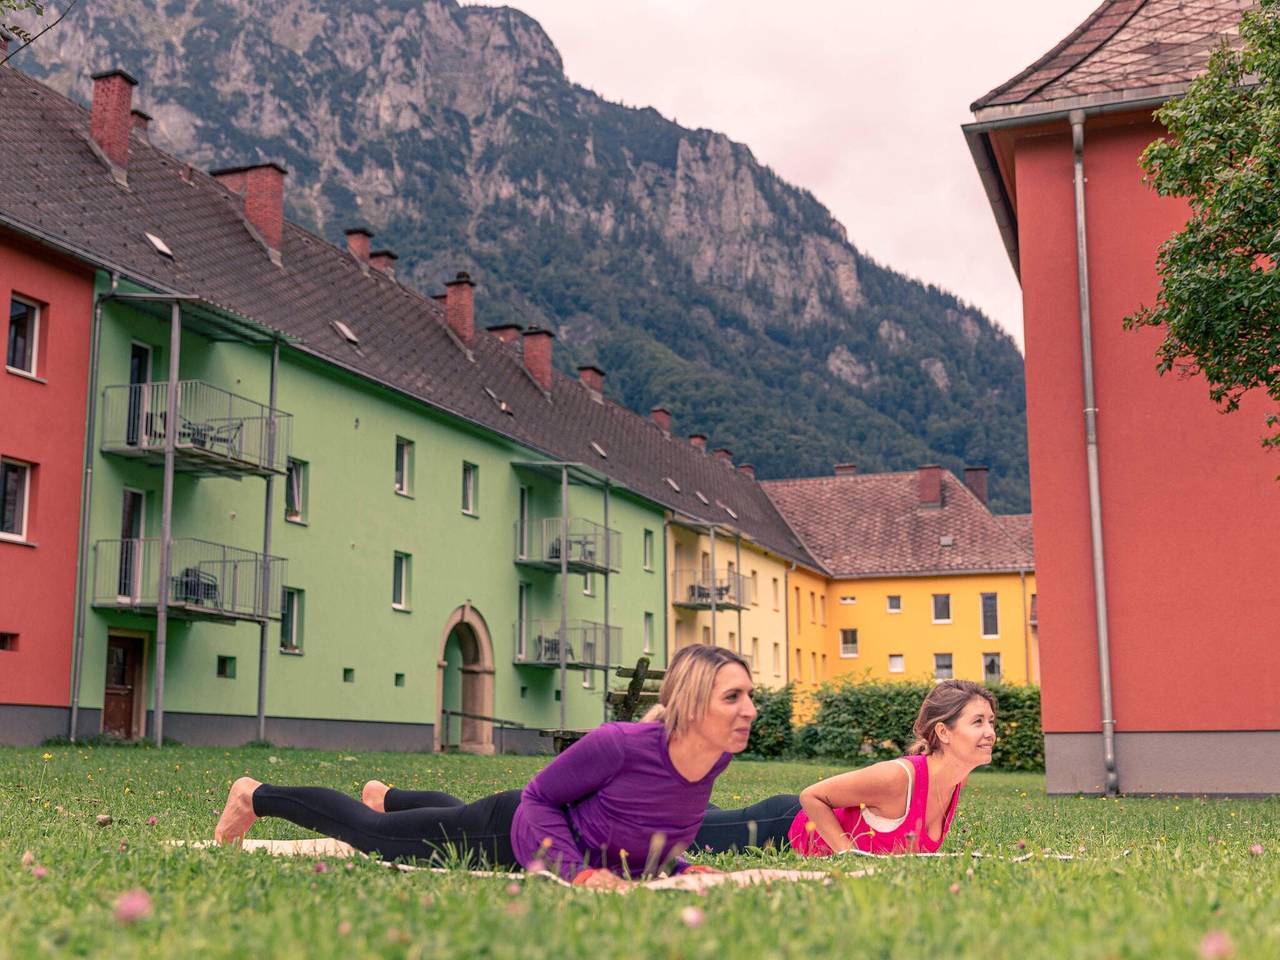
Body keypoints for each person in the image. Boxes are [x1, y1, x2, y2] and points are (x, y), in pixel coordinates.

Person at [214, 644, 756, 889]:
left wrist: (679, 869)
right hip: (511, 831)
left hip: (534, 834)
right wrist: (579, 873)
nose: (750, 709)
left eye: (749, 695)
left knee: (445, 814)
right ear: (691, 703)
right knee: (372, 834)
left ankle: (390, 795)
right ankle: (254, 794)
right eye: (733, 697)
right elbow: (540, 799)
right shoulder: (620, 744)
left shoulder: (712, 760)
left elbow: (642, 828)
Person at [692, 679, 996, 856]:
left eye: (991, 722)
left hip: (792, 827)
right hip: (780, 828)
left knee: (697, 813)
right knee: (682, 831)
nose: (990, 733)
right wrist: (849, 855)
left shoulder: (955, 781)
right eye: (978, 722)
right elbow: (812, 796)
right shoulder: (898, 778)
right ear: (943, 732)